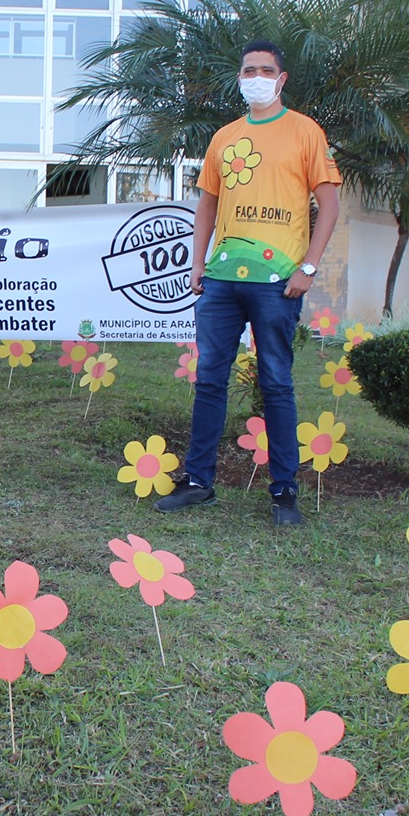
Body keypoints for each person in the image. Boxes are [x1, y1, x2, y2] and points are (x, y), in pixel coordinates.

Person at [157, 41, 342, 526]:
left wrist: (309, 268)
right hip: (220, 279)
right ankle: (199, 483)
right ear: (239, 78)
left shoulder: (305, 132)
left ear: (281, 80)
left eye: (266, 70)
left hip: (277, 281)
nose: (256, 77)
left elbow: (330, 204)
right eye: (248, 70)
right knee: (209, 380)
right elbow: (206, 205)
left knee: (276, 382)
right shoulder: (224, 137)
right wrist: (198, 263)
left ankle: (284, 493)